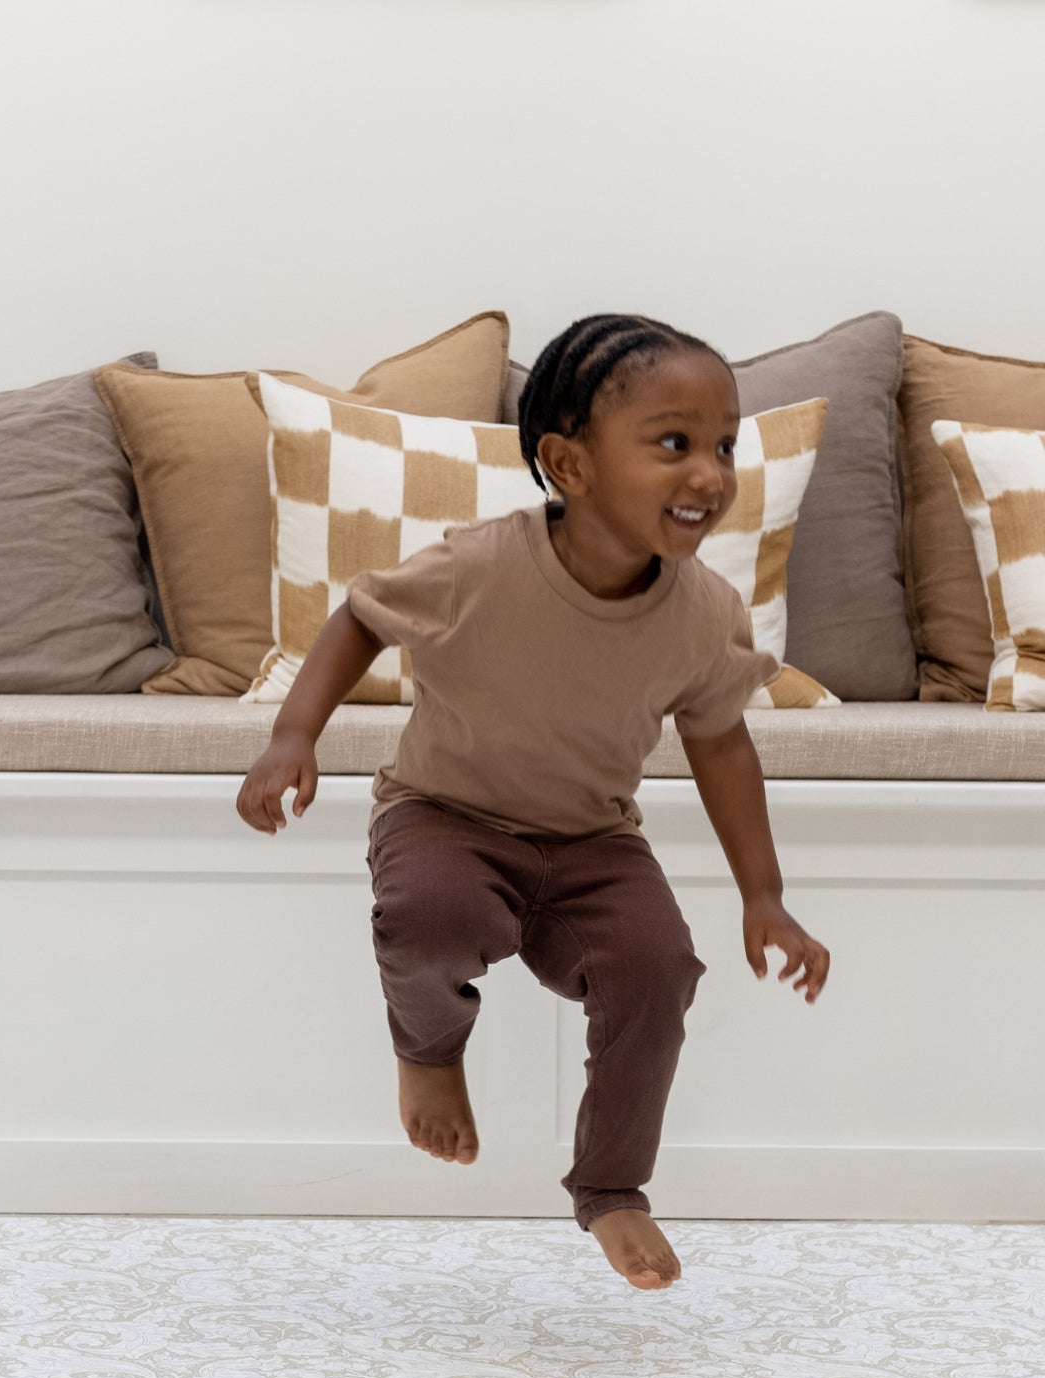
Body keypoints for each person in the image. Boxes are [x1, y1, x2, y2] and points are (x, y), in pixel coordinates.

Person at [237, 312, 830, 1292]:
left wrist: (764, 898)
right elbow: (360, 617)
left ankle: (612, 1188)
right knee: (432, 918)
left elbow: (721, 745)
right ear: (570, 462)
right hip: (444, 814)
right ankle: (429, 1050)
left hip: (593, 842)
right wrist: (292, 739)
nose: (711, 473)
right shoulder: (479, 567)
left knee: (658, 971)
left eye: (725, 445)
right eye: (674, 444)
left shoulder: (703, 616)